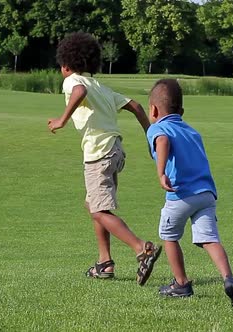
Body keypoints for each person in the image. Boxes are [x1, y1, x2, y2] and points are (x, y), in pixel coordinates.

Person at [47, 32, 161, 286]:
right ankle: (105, 262)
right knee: (94, 206)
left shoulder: (73, 81)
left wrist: (61, 120)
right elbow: (136, 106)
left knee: (98, 209)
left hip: (98, 154)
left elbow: (76, 90)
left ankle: (143, 248)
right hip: (115, 150)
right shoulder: (101, 87)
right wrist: (149, 134)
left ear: (66, 64)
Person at [146, 78, 233, 305]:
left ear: (153, 110)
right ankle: (229, 279)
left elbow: (162, 141)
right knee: (210, 239)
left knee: (169, 236)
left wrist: (161, 172)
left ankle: (181, 283)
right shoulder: (192, 132)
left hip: (181, 194)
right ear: (181, 111)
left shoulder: (158, 128)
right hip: (206, 194)